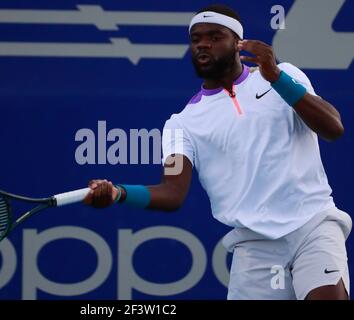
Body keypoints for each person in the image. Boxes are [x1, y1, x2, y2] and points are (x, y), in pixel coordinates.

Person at [83, 4, 351, 300]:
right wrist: (119, 192)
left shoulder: (284, 76)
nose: (203, 44)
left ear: (238, 43)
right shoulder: (181, 124)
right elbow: (172, 194)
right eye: (196, 38)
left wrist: (275, 77)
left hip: (313, 225)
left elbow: (333, 128)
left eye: (214, 36)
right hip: (255, 248)